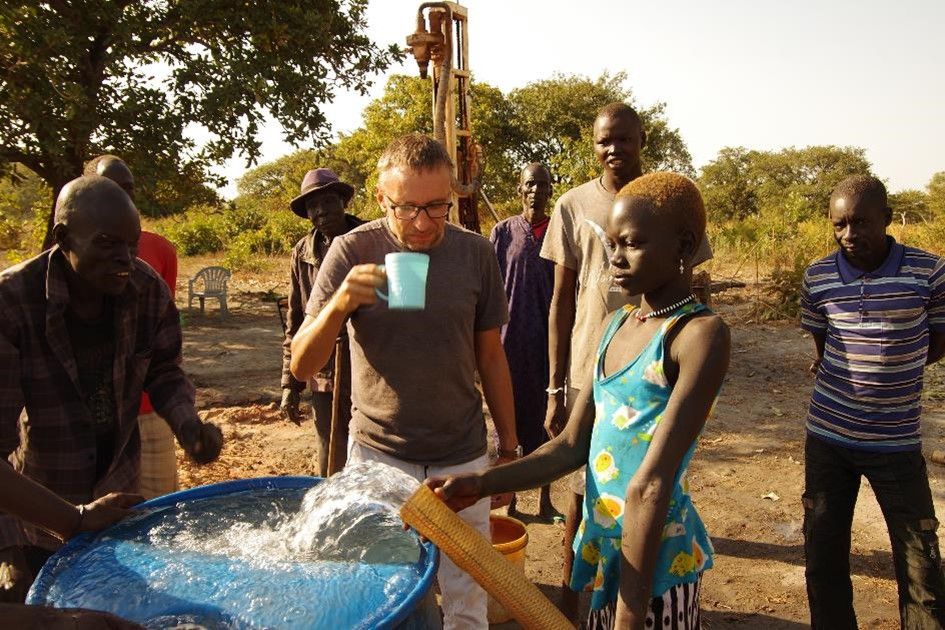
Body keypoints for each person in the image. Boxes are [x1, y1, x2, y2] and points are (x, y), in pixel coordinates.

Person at [429, 172, 730, 629]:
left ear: (684, 246)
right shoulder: (616, 325)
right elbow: (571, 445)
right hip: (607, 550)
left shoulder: (698, 336)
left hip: (655, 565)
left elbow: (651, 484)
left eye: (631, 244)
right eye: (611, 244)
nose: (615, 258)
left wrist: (629, 618)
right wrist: (481, 483)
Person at [290, 133, 519, 629]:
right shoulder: (352, 251)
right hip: (378, 457)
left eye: (437, 207)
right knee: (384, 592)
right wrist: (340, 303)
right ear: (380, 198)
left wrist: (509, 448)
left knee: (466, 596)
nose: (421, 224)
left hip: (462, 454)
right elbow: (303, 366)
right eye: (406, 208)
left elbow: (491, 356)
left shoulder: (475, 254)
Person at [0, 175, 222, 602]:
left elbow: (164, 371)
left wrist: (187, 424)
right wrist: (9, 549)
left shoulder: (145, 290)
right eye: (106, 243)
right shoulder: (13, 303)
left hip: (117, 500)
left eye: (132, 244)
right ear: (62, 237)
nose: (124, 258)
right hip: (37, 507)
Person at [539, 102, 714, 616]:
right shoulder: (573, 205)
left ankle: (625, 602)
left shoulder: (671, 203)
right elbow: (560, 299)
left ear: (642, 139)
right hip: (596, 357)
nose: (613, 149)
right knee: (587, 485)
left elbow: (697, 292)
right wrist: (554, 386)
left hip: (658, 361)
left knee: (648, 483)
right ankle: (576, 602)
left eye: (624, 138)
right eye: (603, 140)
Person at [800, 174, 945, 629]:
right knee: (824, 556)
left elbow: (936, 344)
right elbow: (823, 346)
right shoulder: (818, 276)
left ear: (886, 217)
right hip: (828, 440)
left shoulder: (930, 272)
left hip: (897, 445)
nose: (849, 235)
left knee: (920, 565)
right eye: (839, 224)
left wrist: (892, 372)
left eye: (860, 222)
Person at [85, 155, 180, 499]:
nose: (120, 198)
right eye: (109, 188)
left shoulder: (160, 253)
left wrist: (182, 417)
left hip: (148, 407)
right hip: (88, 420)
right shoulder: (65, 257)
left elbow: (163, 338)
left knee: (159, 508)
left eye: (127, 190)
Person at [280, 168, 364, 477]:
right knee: (331, 458)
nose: (321, 211)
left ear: (343, 202)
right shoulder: (301, 253)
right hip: (323, 367)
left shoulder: (370, 239)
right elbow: (296, 320)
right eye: (313, 206)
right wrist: (290, 384)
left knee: (374, 456)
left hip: (369, 366)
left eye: (328, 201)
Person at [489, 162, 556, 518]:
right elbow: (489, 286)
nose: (536, 191)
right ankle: (510, 500)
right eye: (530, 184)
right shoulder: (502, 232)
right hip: (509, 342)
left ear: (550, 189)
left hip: (547, 343)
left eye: (543, 184)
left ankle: (546, 500)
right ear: (520, 190)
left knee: (547, 420)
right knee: (508, 419)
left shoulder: (560, 231)